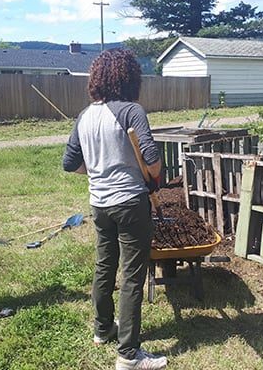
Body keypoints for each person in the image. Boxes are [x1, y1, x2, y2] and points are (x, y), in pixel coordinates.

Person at [63, 48, 167, 370]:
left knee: (104, 267)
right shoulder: (132, 110)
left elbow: (70, 163)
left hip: (100, 204)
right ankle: (129, 356)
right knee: (133, 277)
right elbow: (152, 162)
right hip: (131, 203)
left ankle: (103, 329)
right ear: (129, 78)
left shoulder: (85, 115)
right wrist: (153, 175)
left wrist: (98, 171)